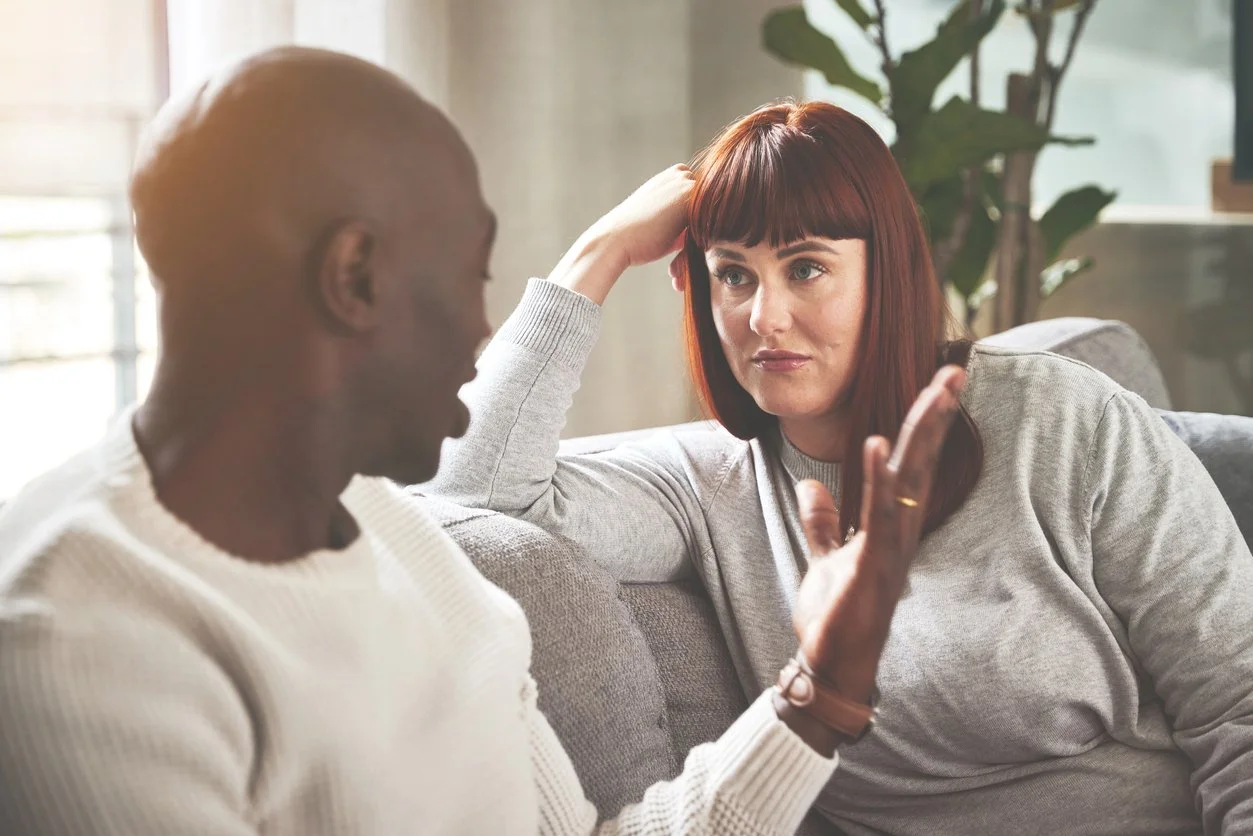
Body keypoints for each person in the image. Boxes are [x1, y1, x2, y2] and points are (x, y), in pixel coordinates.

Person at [0, 49, 968, 835]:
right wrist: (595, 257)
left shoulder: (400, 538)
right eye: (474, 275)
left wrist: (820, 693)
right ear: (355, 276)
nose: (483, 333)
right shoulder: (77, 636)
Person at [431, 100, 1253, 835]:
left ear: (884, 272)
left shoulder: (1062, 418)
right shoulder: (703, 484)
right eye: (733, 275)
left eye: (806, 268)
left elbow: (1238, 703)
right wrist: (598, 252)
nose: (764, 317)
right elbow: (472, 494)